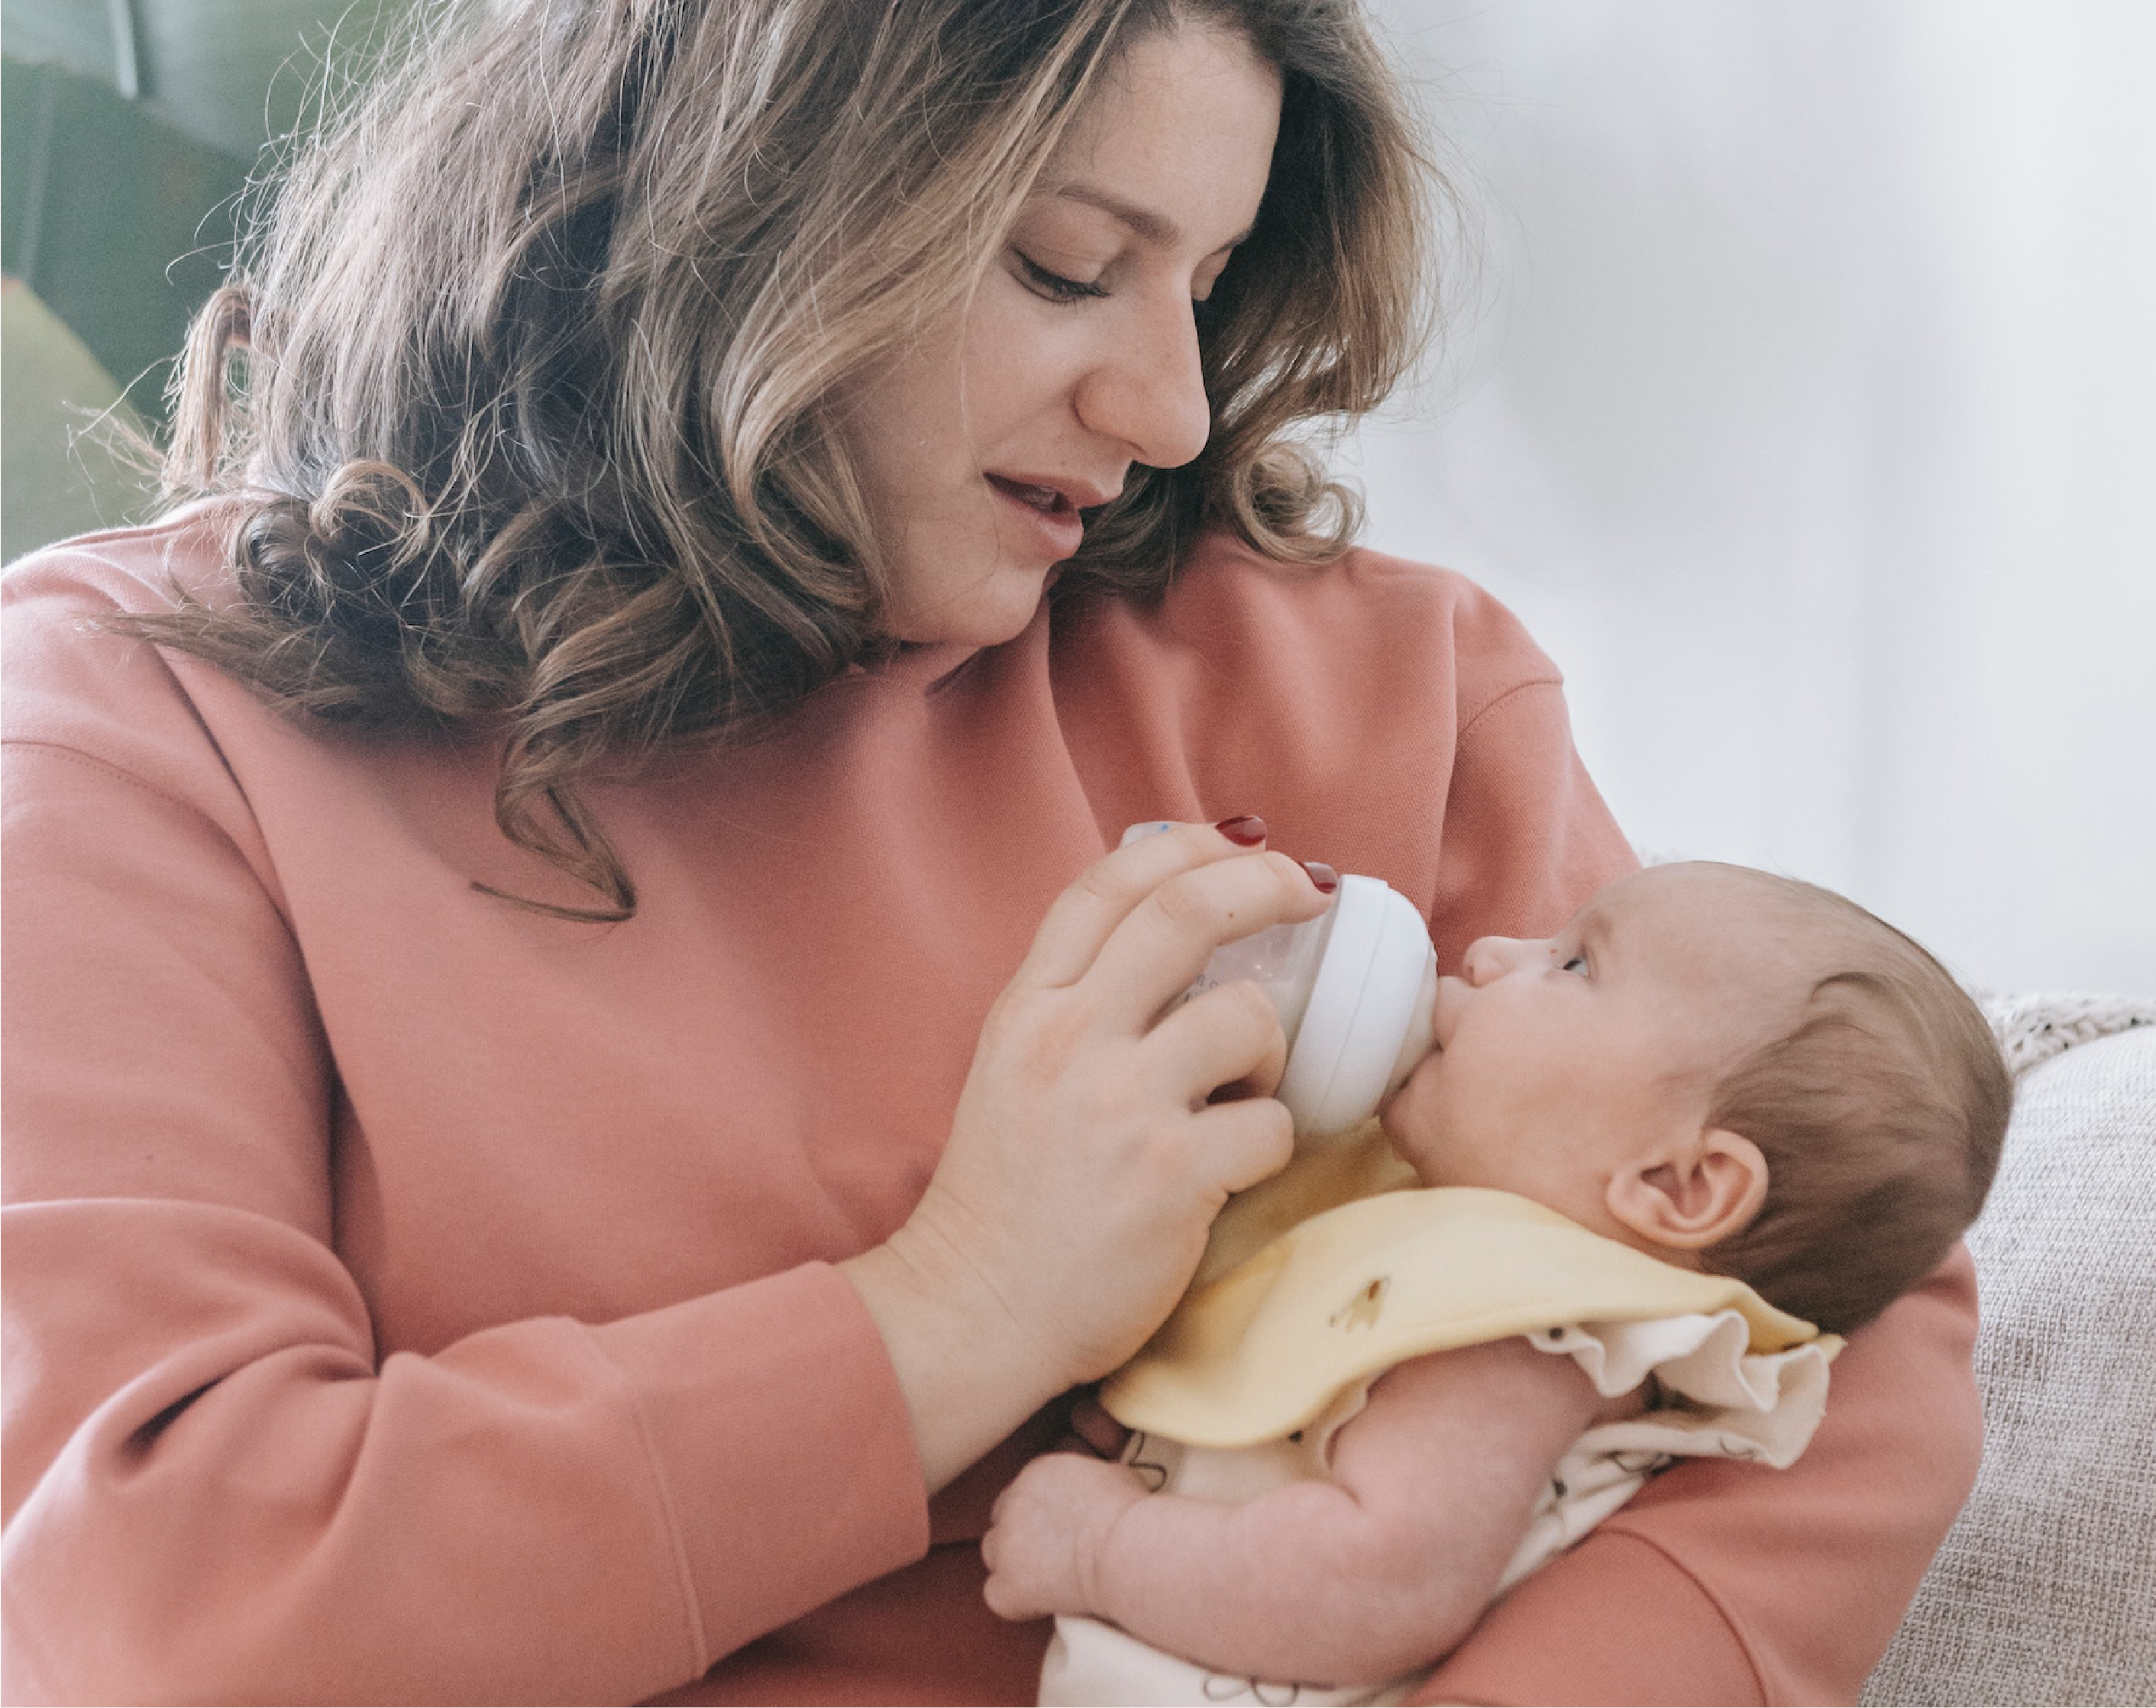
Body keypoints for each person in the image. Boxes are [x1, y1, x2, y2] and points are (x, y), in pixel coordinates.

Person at [0, 2, 1986, 1702]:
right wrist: (955, 1309)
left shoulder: (1376, 686)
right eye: (1059, 265)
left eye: (1199, 289)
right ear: (718, 212)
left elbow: (1831, 1299)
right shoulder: (142, 718)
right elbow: (149, 1599)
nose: (1165, 404)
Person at [980, 861, 2012, 1704]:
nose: (1488, 949)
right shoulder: (1446, 1248)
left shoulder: (1515, 1335)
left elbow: (1376, 1583)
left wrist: (1106, 1544)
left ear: (1678, 1184)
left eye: (1570, 965)